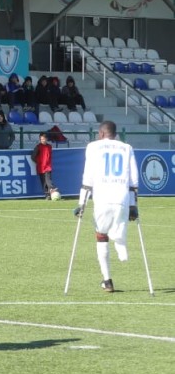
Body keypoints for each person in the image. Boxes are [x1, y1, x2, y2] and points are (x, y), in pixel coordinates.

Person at [76, 120, 139, 293]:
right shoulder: (126, 148)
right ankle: (121, 245)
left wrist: (81, 203)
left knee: (101, 235)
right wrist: (133, 205)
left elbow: (87, 178)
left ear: (102, 133)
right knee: (119, 227)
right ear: (115, 133)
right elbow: (133, 179)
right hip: (122, 199)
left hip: (102, 199)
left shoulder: (93, 147)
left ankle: (107, 280)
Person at [32, 132, 56, 199]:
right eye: (41, 139)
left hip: (48, 167)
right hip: (40, 167)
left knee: (48, 179)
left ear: (46, 139)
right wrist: (39, 162)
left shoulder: (49, 146)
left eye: (44, 139)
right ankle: (47, 195)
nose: (43, 140)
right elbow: (33, 157)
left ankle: (51, 189)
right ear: (40, 139)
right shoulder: (38, 147)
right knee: (43, 182)